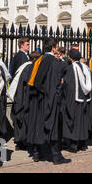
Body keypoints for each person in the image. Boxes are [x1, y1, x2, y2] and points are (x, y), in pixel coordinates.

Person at [25, 37, 71, 165]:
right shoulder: (54, 62)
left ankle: (37, 152)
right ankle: (56, 156)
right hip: (49, 99)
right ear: (54, 48)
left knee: (38, 125)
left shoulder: (38, 60)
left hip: (37, 99)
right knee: (52, 126)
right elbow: (55, 83)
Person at [61, 49, 92, 152]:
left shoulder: (71, 68)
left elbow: (68, 85)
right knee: (83, 121)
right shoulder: (85, 67)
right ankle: (83, 144)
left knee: (75, 121)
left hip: (75, 100)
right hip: (85, 98)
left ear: (70, 58)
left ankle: (74, 145)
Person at [8, 51, 41, 152]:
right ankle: (23, 142)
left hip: (19, 98)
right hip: (23, 99)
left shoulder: (23, 67)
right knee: (23, 121)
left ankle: (19, 142)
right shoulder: (29, 68)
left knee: (19, 122)